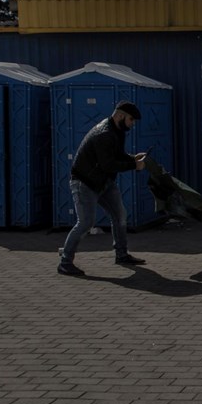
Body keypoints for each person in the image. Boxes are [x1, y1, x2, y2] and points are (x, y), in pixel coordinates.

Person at [57, 101, 148, 276]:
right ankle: (65, 262)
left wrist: (132, 158)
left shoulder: (118, 131)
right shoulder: (104, 134)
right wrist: (133, 165)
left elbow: (116, 156)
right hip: (84, 183)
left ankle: (121, 254)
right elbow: (108, 164)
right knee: (86, 223)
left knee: (120, 215)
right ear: (120, 115)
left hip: (104, 182)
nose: (132, 124)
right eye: (131, 120)